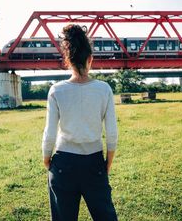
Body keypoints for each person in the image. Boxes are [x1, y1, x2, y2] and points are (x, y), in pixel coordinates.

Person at [42, 24, 118, 220]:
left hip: (62, 164)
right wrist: (107, 162)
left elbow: (49, 133)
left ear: (67, 60)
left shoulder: (56, 90)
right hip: (94, 162)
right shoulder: (104, 89)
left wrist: (46, 158)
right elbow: (111, 133)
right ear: (90, 59)